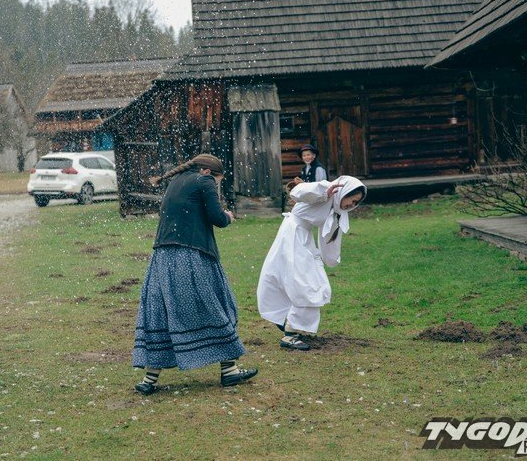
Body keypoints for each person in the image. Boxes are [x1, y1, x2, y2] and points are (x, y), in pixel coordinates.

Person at [132, 154, 258, 394]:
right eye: (219, 181)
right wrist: (228, 216)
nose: (217, 185)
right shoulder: (204, 181)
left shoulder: (176, 181)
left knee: (162, 312)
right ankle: (229, 371)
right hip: (192, 254)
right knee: (218, 305)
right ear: (208, 172)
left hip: (162, 256)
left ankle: (149, 379)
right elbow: (217, 218)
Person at [257, 176, 367, 351]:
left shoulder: (337, 210)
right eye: (352, 200)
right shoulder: (325, 191)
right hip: (293, 236)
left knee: (305, 280)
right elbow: (298, 192)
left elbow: (330, 236)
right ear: (344, 193)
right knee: (306, 283)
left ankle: (287, 321)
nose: (352, 205)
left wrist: (330, 259)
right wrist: (324, 192)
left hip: (302, 237)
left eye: (356, 203)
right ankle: (289, 333)